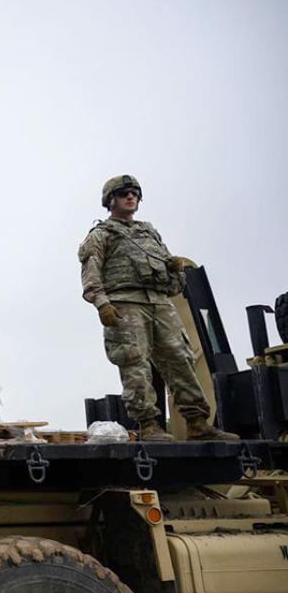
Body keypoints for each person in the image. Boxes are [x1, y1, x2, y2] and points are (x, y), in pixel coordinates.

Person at [78, 175, 238, 441]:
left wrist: (175, 271)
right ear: (110, 200)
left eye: (135, 193)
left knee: (181, 358)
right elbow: (90, 273)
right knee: (134, 362)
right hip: (126, 304)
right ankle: (149, 425)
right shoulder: (102, 235)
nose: (131, 197)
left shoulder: (149, 233)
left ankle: (198, 423)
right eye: (124, 193)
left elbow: (173, 285)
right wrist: (102, 303)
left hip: (160, 302)